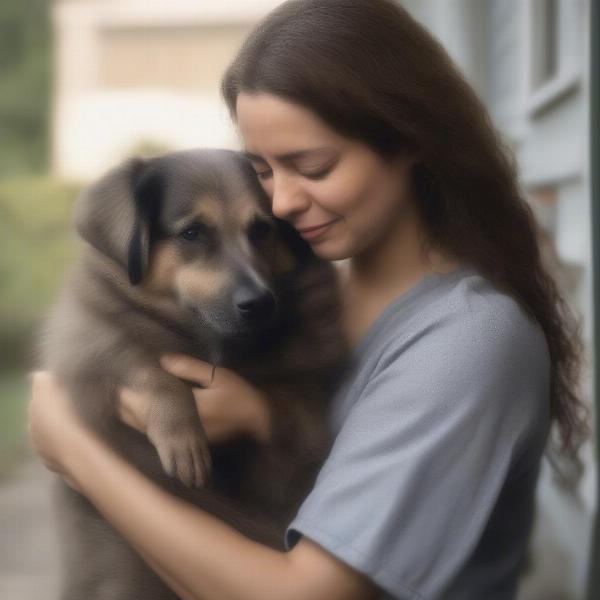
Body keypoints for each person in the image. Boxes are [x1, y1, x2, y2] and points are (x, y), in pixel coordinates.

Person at [28, 0, 589, 598]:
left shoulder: (468, 343)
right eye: (263, 170)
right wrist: (264, 418)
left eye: (312, 166)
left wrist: (76, 450)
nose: (283, 202)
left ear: (411, 139)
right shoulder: (307, 294)